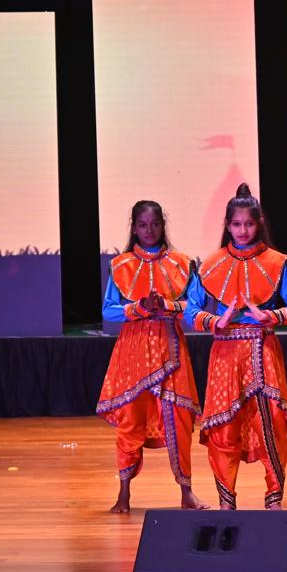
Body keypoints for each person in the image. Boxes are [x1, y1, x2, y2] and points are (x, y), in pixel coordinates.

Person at [184, 184, 287, 510]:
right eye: (237, 224)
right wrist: (216, 321)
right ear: (227, 225)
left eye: (249, 224)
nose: (242, 230)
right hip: (225, 352)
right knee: (224, 426)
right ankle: (226, 500)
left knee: (272, 421)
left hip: (263, 349)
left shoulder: (276, 262)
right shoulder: (211, 265)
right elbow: (190, 311)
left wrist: (271, 315)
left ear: (259, 223)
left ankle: (274, 498)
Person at [96, 200, 207, 513]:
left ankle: (186, 492)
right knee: (130, 421)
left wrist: (167, 306)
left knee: (179, 419)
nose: (149, 230)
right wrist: (139, 308)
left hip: (170, 350)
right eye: (143, 225)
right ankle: (123, 495)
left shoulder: (182, 264)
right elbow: (108, 311)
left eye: (155, 224)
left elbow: (196, 307)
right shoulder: (122, 266)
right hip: (134, 350)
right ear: (134, 227)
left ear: (163, 225)